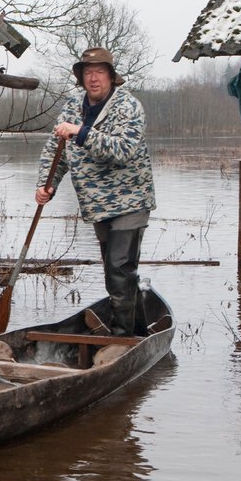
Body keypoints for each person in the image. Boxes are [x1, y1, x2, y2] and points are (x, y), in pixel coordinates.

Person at [35, 47, 156, 337]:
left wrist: (81, 132)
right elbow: (55, 150)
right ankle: (140, 330)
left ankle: (122, 337)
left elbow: (124, 151)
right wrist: (47, 184)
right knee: (118, 272)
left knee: (118, 267)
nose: (93, 78)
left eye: (100, 72)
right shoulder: (72, 106)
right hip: (97, 204)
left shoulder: (128, 106)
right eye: (88, 72)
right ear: (81, 78)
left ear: (111, 77)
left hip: (130, 200)